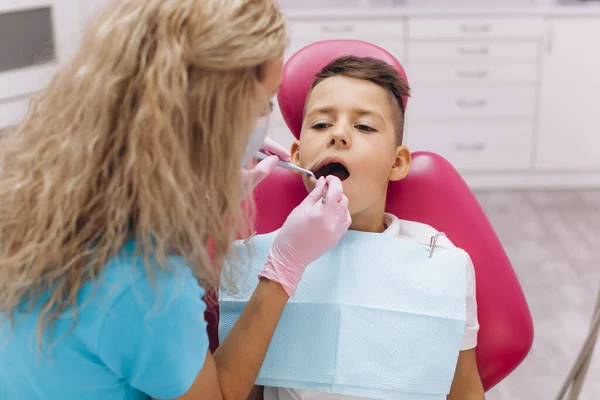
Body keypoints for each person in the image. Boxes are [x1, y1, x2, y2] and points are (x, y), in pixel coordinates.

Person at [0, 1, 351, 399]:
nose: (339, 135)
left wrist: (195, 202)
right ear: (215, 114)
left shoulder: (38, 184)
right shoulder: (144, 286)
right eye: (263, 104)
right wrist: (284, 268)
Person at [250, 56, 485, 400]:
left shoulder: (441, 266)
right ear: (296, 157)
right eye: (320, 125)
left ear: (398, 162)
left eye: (364, 127)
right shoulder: (263, 262)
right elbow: (241, 387)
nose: (339, 135)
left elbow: (464, 390)